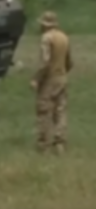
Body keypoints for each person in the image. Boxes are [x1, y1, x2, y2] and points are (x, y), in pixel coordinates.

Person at [32, 11, 72, 155]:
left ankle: (44, 144)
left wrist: (36, 79)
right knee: (60, 111)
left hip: (49, 79)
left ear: (44, 25)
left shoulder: (46, 38)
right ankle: (60, 143)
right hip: (62, 78)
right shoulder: (64, 37)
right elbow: (69, 62)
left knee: (44, 111)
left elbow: (45, 62)